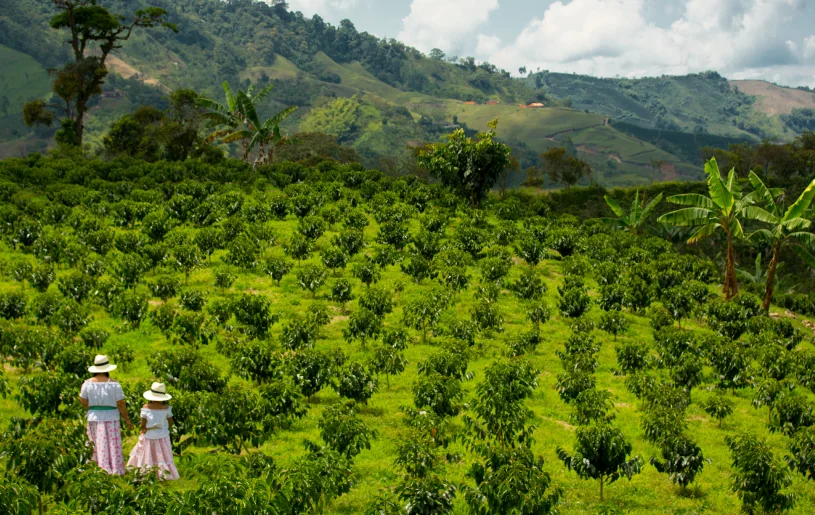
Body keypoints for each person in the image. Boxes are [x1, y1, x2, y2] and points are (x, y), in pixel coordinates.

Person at [79, 355, 133, 475]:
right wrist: (127, 419)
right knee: (112, 442)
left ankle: (97, 465)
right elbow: (121, 403)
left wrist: (94, 407)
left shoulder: (87, 384)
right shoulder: (114, 384)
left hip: (94, 416)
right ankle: (113, 466)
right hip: (111, 416)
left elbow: (83, 402)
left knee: (96, 441)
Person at [126, 382, 179, 480]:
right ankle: (163, 474)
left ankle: (146, 474)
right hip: (162, 435)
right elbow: (170, 422)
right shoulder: (166, 408)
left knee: (148, 455)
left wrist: (143, 429)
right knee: (162, 455)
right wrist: (164, 427)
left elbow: (143, 423)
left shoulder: (146, 407)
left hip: (149, 435)